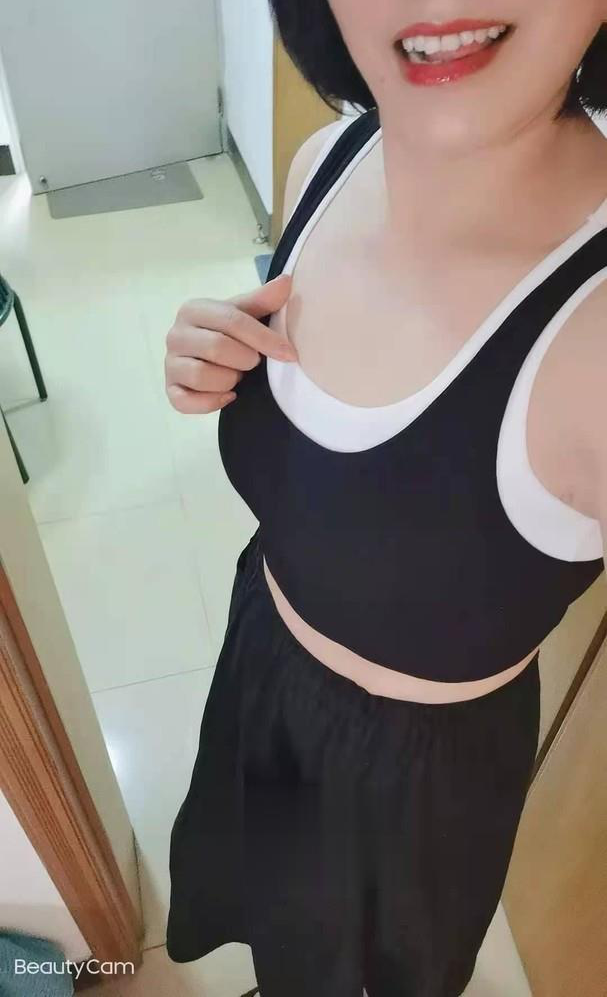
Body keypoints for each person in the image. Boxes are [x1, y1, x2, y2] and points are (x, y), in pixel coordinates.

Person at [164, 3, 607, 994]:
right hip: (262, 663)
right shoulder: (323, 162)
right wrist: (212, 353)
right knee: (280, 936)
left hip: (421, 775)